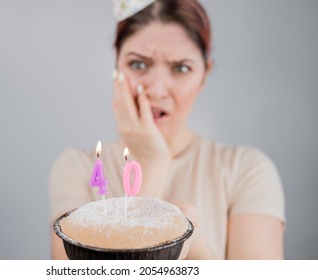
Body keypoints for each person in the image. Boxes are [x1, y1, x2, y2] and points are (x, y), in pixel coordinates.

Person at [49, 0, 285, 260]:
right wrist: (153, 164)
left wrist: (189, 239)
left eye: (181, 68)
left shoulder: (247, 172)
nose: (157, 90)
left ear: (204, 75)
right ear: (117, 66)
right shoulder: (78, 168)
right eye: (138, 64)